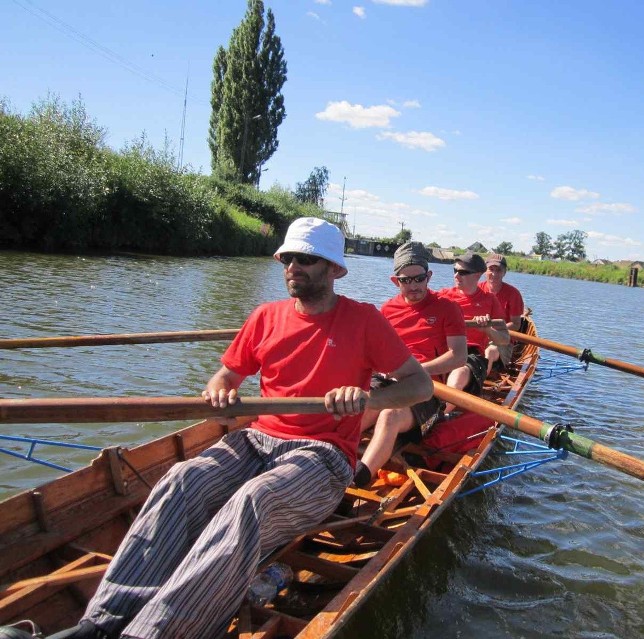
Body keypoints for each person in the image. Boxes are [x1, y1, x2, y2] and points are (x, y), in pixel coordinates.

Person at [48, 218, 432, 639]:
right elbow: (225, 378)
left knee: (252, 500)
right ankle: (101, 624)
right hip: (256, 440)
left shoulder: (364, 321)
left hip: (323, 456)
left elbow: (420, 384)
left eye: (306, 259)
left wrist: (368, 399)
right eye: (288, 258)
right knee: (181, 479)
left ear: (335, 270)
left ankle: (152, 634)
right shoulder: (265, 317)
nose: (293, 266)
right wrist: (218, 394)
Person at [355, 241, 467, 486]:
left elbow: (459, 356)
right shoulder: (387, 309)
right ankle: (331, 458)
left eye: (419, 279)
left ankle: (359, 479)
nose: (414, 286)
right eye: (406, 280)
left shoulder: (448, 308)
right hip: (386, 380)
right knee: (358, 408)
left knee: (390, 416)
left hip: (427, 389)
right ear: (396, 281)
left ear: (429, 276)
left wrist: (415, 372)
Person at [438, 252, 509, 400]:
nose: (456, 276)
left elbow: (504, 339)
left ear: (477, 275)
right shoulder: (442, 296)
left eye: (462, 272)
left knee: (459, 375)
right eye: (455, 270)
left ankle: (439, 415)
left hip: (471, 354)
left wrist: (487, 329)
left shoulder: (489, 300)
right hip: (443, 350)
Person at [479, 253, 526, 366]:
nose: (494, 274)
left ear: (504, 272)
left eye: (499, 270)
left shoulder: (513, 294)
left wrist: (490, 330)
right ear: (485, 270)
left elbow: (516, 325)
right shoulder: (477, 289)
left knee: (490, 351)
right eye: (491, 269)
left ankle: (481, 378)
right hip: (478, 336)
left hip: (503, 340)